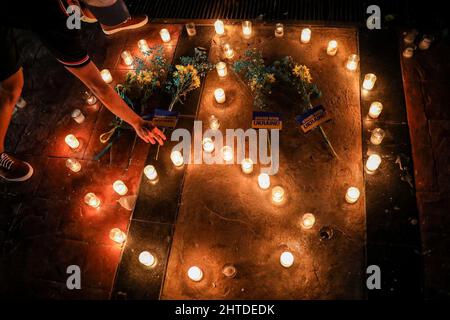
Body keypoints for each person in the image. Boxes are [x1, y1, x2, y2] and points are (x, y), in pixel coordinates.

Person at [0, 1, 166, 182]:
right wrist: (136, 121)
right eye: (101, 17)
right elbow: (98, 86)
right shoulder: (59, 24)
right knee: (11, 87)